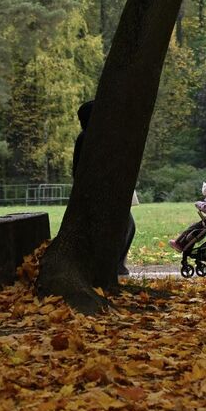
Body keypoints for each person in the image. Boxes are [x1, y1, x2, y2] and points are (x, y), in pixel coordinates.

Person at [72, 99, 134, 279]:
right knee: (126, 225)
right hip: (97, 194)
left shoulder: (89, 137)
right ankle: (115, 266)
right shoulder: (89, 138)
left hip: (96, 193)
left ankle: (116, 265)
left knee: (127, 225)